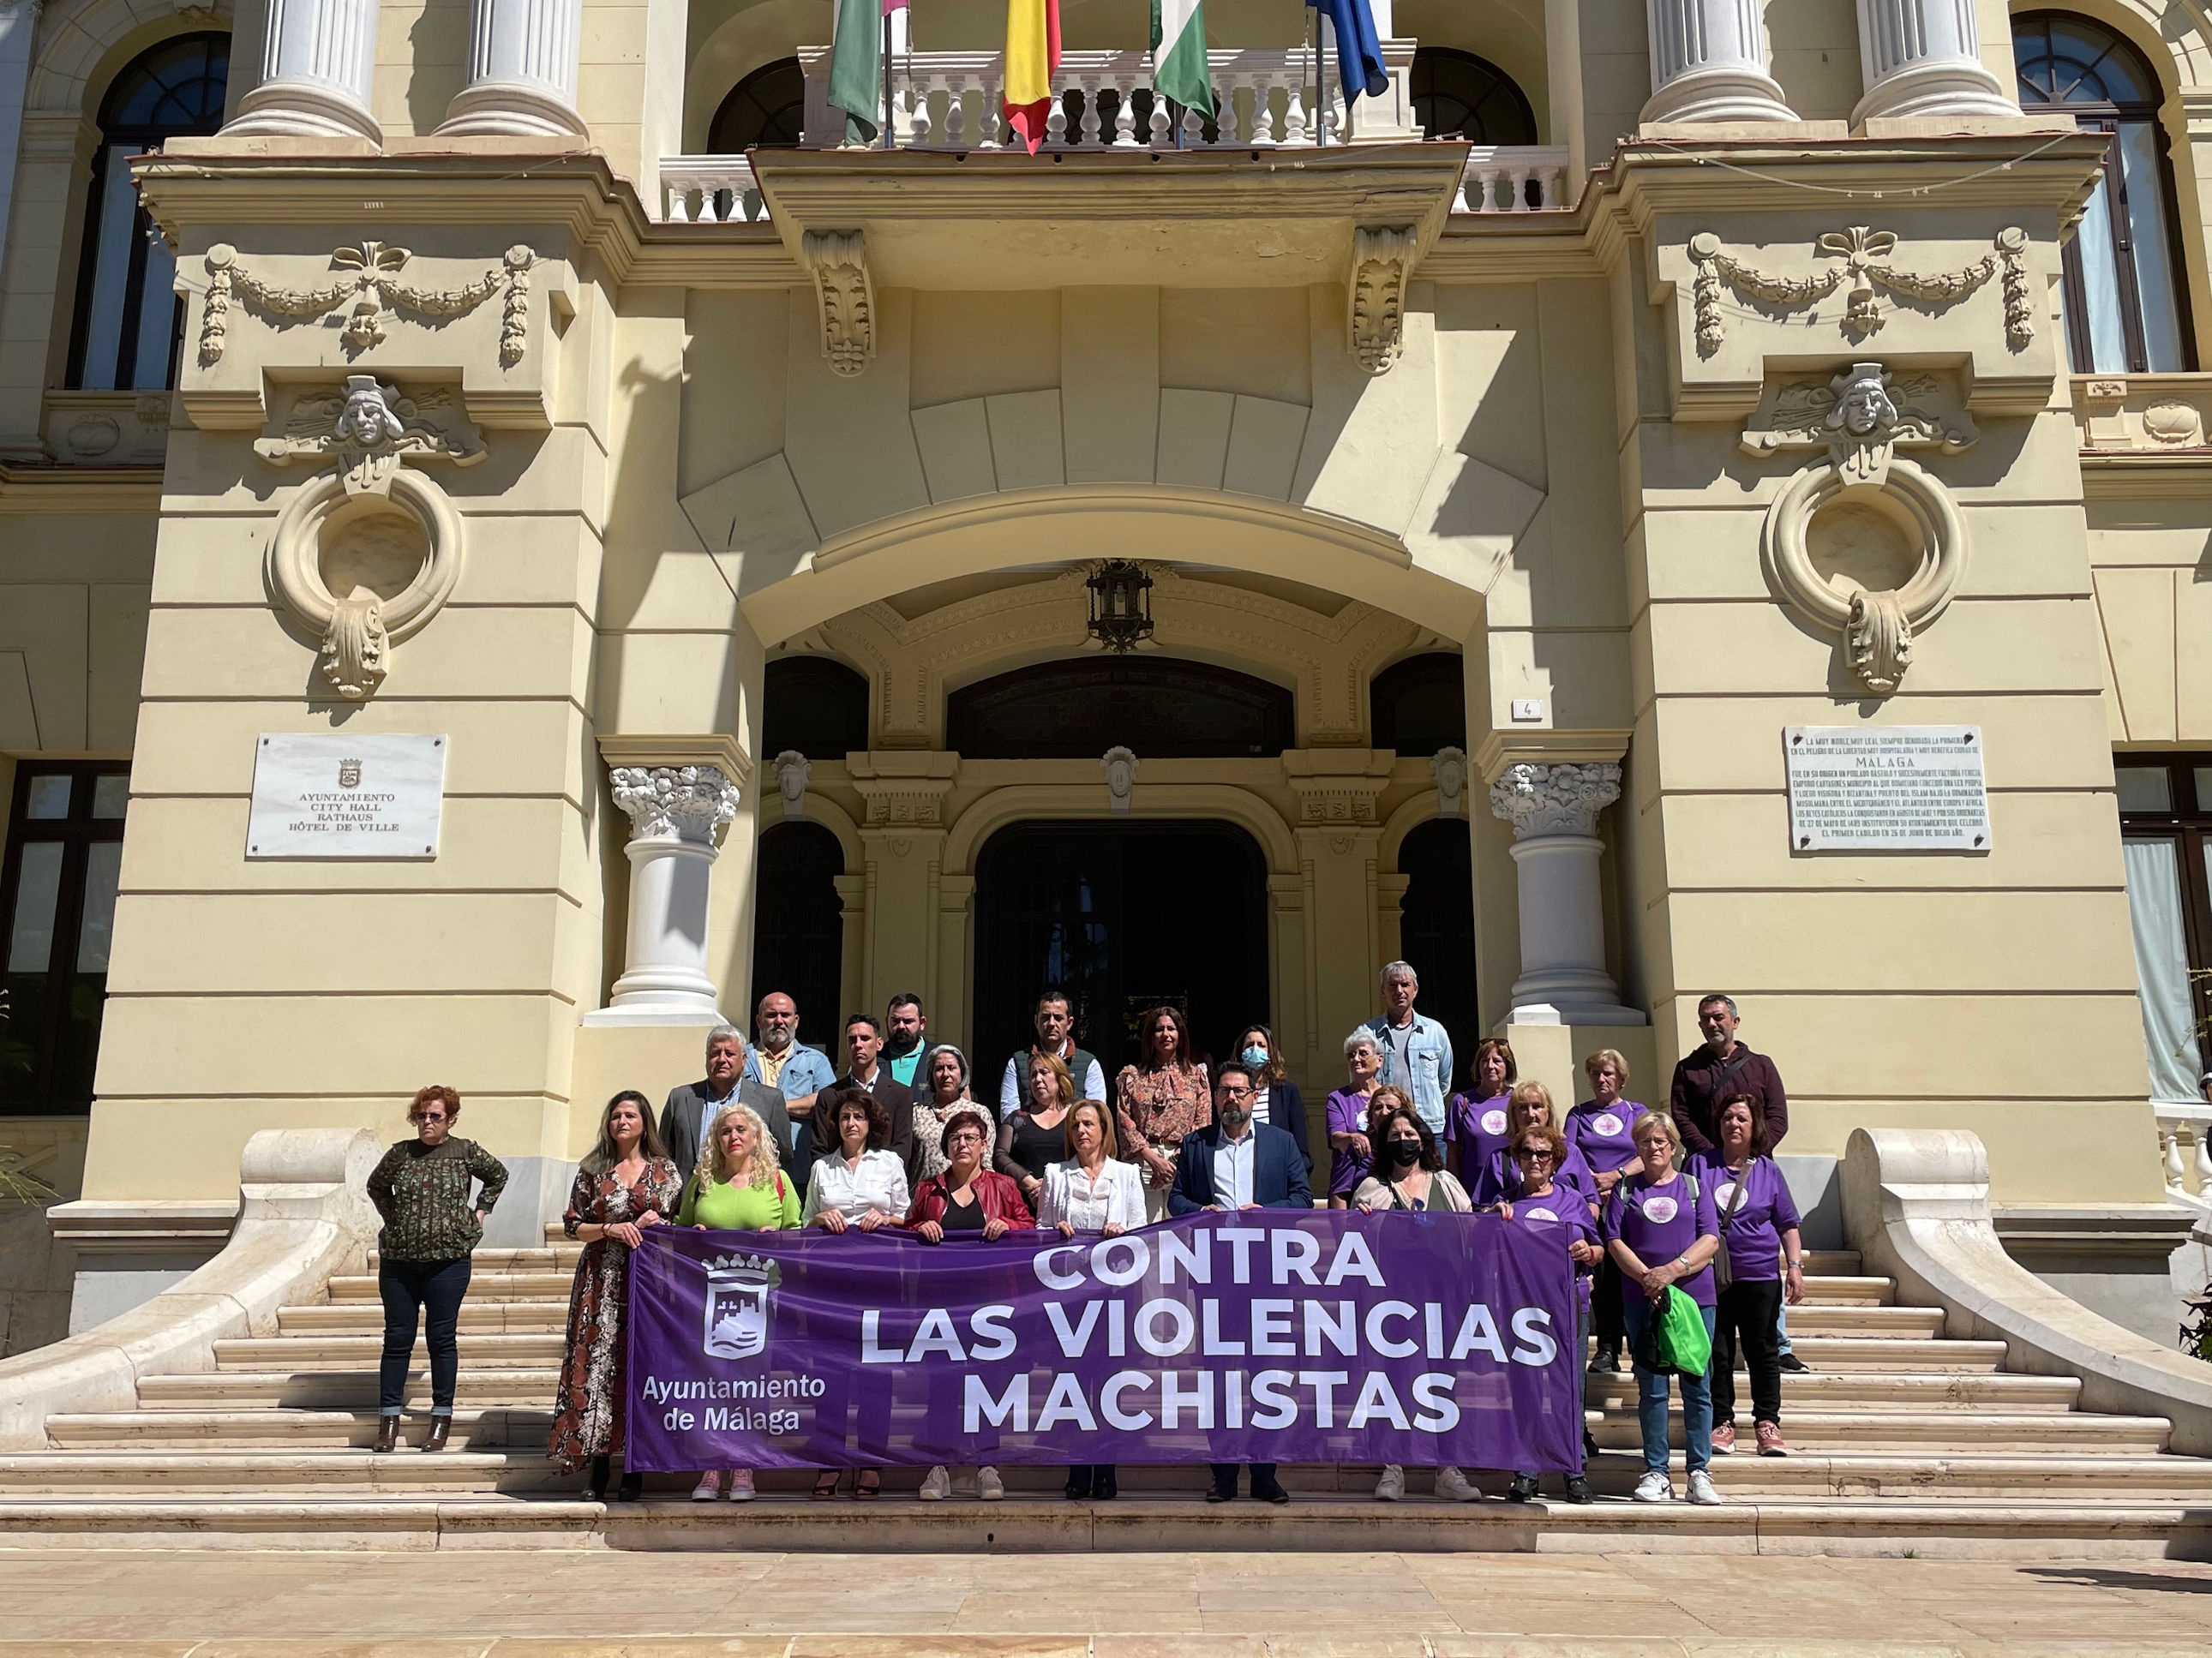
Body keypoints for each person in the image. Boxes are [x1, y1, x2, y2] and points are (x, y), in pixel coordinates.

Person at [1168, 1062, 1311, 1505]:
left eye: (1240, 1091)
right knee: (1219, 1378)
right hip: (1214, 1277)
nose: (1232, 1098)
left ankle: (1265, 1472)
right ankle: (1224, 1472)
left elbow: (1303, 1198)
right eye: (1225, 1092)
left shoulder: (1281, 1142)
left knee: (1266, 1376)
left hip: (1267, 1276)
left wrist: (1265, 1211)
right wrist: (1199, 1212)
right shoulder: (1196, 1145)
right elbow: (1176, 1199)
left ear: (1254, 1097)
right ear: (1215, 1098)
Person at [549, 1090, 681, 1501]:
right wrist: (609, 1229)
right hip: (600, 1281)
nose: (622, 1122)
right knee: (598, 1367)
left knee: (640, 1366)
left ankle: (635, 1466)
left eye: (630, 1115)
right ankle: (599, 1465)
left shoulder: (666, 1171)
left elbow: (680, 1220)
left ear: (645, 1123)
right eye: (616, 1116)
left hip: (649, 1282)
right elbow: (573, 1225)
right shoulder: (592, 1170)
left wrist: (657, 1220)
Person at [364, 1085, 507, 1453]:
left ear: (451, 1119)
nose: (427, 1123)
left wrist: (478, 1214)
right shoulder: (401, 1154)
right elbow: (376, 1187)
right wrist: (395, 1218)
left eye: (435, 1116)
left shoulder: (464, 1151)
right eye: (421, 1116)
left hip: (449, 1261)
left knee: (441, 1340)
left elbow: (497, 1175)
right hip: (399, 1262)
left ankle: (440, 1419)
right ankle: (389, 1422)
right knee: (397, 1340)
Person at [1348, 1104, 1479, 1504]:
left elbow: (1473, 1233)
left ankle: (1447, 1469)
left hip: (1444, 1299)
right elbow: (1355, 1246)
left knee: (1443, 1381)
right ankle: (1393, 1466)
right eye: (1394, 1136)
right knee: (1395, 1381)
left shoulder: (1447, 1184)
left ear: (1423, 1138)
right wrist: (1361, 1220)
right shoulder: (1372, 1188)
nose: (1404, 1141)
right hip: (1392, 1304)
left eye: (1410, 1134)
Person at [906, 1107, 1036, 1501]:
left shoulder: (1004, 1187)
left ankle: (987, 1466)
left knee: (987, 1385)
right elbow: (904, 1233)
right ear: (946, 1147)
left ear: (984, 1145)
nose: (962, 1144)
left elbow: (1031, 1227)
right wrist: (918, 1227)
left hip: (991, 1304)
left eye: (970, 1138)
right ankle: (938, 1467)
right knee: (940, 1385)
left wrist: (1008, 1225)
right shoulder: (928, 1189)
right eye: (955, 1139)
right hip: (939, 1303)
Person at [1667, 994, 1802, 1372]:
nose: (1713, 1024)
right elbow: (1681, 1116)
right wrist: (1713, 1155)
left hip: (1755, 1172)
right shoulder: (1688, 1069)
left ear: (1735, 1022)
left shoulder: (1761, 1066)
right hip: (1706, 1171)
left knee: (1759, 1260)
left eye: (1719, 1017)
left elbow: (1777, 1116)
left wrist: (1749, 1152)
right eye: (1705, 1019)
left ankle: (1778, 1342)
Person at [675, 1100, 801, 1502]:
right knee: (709, 1382)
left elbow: (798, 1234)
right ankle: (711, 1468)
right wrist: (693, 1234)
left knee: (751, 1383)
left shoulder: (777, 1181)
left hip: (762, 1300)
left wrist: (777, 1238)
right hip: (707, 1299)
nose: (733, 1137)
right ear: (716, 1138)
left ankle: (744, 1467)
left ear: (756, 1137)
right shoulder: (702, 1183)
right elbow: (678, 1230)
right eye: (726, 1131)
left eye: (741, 1130)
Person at [1599, 1110, 1723, 1505]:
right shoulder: (1625, 1191)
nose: (1653, 1148)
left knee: (1697, 1388)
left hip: (1692, 1300)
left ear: (1673, 1146)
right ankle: (1656, 1471)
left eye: (1659, 1141)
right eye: (1645, 1142)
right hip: (1642, 1300)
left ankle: (1699, 1472)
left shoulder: (1694, 1187)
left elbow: (1711, 1240)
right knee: (1652, 1390)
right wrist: (1647, 1279)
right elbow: (1614, 1241)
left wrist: (1670, 1271)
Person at [1037, 1098, 1145, 1501]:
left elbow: (1142, 1233)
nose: (1081, 1131)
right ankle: (1077, 1465)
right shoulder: (1056, 1174)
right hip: (1070, 1296)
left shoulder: (1128, 1174)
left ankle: (1107, 1465)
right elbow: (1041, 1230)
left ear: (1104, 1130)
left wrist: (1124, 1233)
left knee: (1109, 1382)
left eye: (1089, 1124)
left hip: (1114, 1294)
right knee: (1074, 1383)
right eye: (1076, 1125)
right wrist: (1055, 1230)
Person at [1688, 1093, 1806, 1457]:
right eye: (1727, 1118)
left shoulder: (1767, 1170)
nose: (1733, 1124)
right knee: (1717, 1352)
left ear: (1754, 1127)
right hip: (1711, 1276)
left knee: (1763, 1352)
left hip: (1759, 1274)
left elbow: (1787, 1223)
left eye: (1741, 1119)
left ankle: (1767, 1423)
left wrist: (1795, 1267)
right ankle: (1722, 1422)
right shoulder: (1698, 1165)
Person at [1490, 1124, 1600, 1505]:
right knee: (1526, 1390)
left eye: (1543, 1154)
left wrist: (1588, 1253)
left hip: (1568, 1304)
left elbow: (1598, 1249)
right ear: (1517, 1159)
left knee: (1569, 1389)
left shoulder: (1572, 1202)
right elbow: (1482, 1250)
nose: (1535, 1160)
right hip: (1521, 1310)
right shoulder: (1504, 1203)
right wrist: (1492, 1220)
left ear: (1556, 1160)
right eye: (1527, 1153)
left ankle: (1574, 1470)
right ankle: (1526, 1471)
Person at [1567, 1049, 1646, 1373]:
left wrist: (1618, 1175)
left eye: (1608, 1073)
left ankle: (1642, 1346)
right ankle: (1607, 1349)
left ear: (1621, 1078)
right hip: (1594, 1209)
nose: (1601, 1079)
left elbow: (1650, 1153)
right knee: (1605, 1278)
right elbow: (1569, 1154)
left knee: (1633, 1275)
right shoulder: (1579, 1114)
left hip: (1631, 1208)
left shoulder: (1635, 1111)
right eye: (1596, 1073)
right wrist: (1592, 1184)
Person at [661, 1024, 794, 1190]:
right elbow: (664, 1154)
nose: (722, 1059)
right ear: (707, 1058)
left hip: (747, 1197)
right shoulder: (680, 1098)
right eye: (715, 1053)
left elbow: (782, 1153)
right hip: (689, 1200)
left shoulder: (770, 1100)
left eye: (730, 1054)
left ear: (743, 1059)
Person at [1115, 1004, 1212, 1221]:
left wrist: (1174, 1164)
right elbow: (1124, 1120)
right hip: (1143, 1160)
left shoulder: (1197, 1077)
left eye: (1171, 1028)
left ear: (1180, 1034)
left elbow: (1202, 1124)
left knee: (1180, 1231)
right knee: (1144, 1229)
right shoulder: (1132, 1076)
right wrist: (1153, 1160)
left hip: (1183, 1161)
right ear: (1150, 1035)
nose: (1165, 1034)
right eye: (1159, 1029)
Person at [1352, 961, 1454, 1136]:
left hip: (1429, 1128)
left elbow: (1444, 1081)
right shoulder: (1367, 1034)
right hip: (1385, 1130)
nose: (1399, 991)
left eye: (1405, 985)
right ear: (1382, 990)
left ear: (1415, 990)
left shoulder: (1435, 1032)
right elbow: (1359, 1080)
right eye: (1392, 985)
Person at [751, 991, 839, 1184]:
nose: (779, 1021)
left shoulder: (816, 1061)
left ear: (796, 1021)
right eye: (772, 1015)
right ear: (759, 1021)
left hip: (799, 1170)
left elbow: (829, 1105)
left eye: (785, 1015)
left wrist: (774, 1106)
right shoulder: (743, 1059)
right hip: (749, 1170)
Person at [1470, 1080, 1598, 1211]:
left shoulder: (1571, 1152)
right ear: (1513, 1115)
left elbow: (1591, 1204)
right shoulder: (1500, 1159)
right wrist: (1493, 1212)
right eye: (1523, 1108)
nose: (1531, 1114)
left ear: (1549, 1111)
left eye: (1537, 1106)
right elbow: (1483, 1208)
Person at [803, 1087, 912, 1236]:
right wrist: (819, 1219)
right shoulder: (821, 1167)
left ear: (870, 1122)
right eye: (845, 1117)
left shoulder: (890, 1162)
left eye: (858, 1117)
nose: (851, 1123)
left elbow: (907, 1217)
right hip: (831, 1252)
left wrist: (885, 1219)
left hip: (879, 1251)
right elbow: (807, 1222)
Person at [812, 1012, 916, 1166]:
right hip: (838, 1181)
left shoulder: (900, 1094)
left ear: (879, 1044)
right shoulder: (828, 1096)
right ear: (846, 1047)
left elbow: (902, 1149)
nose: (858, 1045)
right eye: (852, 1040)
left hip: (882, 1183)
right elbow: (819, 1149)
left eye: (865, 1038)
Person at [998, 988, 1106, 1116]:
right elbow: (1009, 1115)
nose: (1051, 1023)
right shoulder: (1017, 1063)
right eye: (1045, 1017)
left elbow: (1097, 1114)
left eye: (1058, 1018)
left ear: (1069, 1023)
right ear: (1036, 1021)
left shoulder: (1089, 1064)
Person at [996, 1050, 1075, 1213]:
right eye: (1033, 1075)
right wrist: (1029, 1182)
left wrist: (1050, 1188)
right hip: (1023, 1208)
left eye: (1044, 1073)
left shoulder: (1076, 1117)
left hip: (1070, 1204)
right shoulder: (1017, 1118)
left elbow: (1089, 1157)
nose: (1037, 1079)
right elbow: (999, 1155)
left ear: (1060, 1078)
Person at [1235, 1023, 1312, 1173]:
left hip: (1276, 1172)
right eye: (1249, 1045)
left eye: (1261, 1045)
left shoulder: (1287, 1092)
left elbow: (1301, 1149)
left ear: (1270, 1053)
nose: (1255, 1049)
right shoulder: (1230, 1092)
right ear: (1241, 1053)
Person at [1445, 1037, 1517, 1186]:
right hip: (1473, 1190)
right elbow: (1453, 1151)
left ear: (1508, 1066)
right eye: (1484, 1061)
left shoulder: (1518, 1101)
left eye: (1497, 1061)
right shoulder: (1462, 1102)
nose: (1490, 1066)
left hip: (1512, 1190)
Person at [1325, 1035, 1387, 1209]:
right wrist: (1352, 1138)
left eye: (1363, 1053)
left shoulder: (1389, 1097)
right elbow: (1335, 1138)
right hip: (1346, 1183)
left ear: (1379, 1060)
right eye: (1351, 1055)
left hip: (1383, 1182)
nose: (1356, 1059)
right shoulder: (1338, 1098)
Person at [908, 1043, 973, 1187]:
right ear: (931, 1075)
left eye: (951, 1068)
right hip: (924, 1198)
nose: (945, 1074)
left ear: (962, 1073)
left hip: (966, 1197)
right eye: (939, 1069)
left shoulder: (977, 1113)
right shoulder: (916, 1112)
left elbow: (986, 1163)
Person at [883, 993, 929, 1090]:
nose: (901, 1026)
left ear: (922, 1023)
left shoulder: (940, 1058)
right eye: (895, 1021)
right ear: (887, 1022)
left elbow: (963, 1103)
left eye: (908, 1021)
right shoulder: (872, 1060)